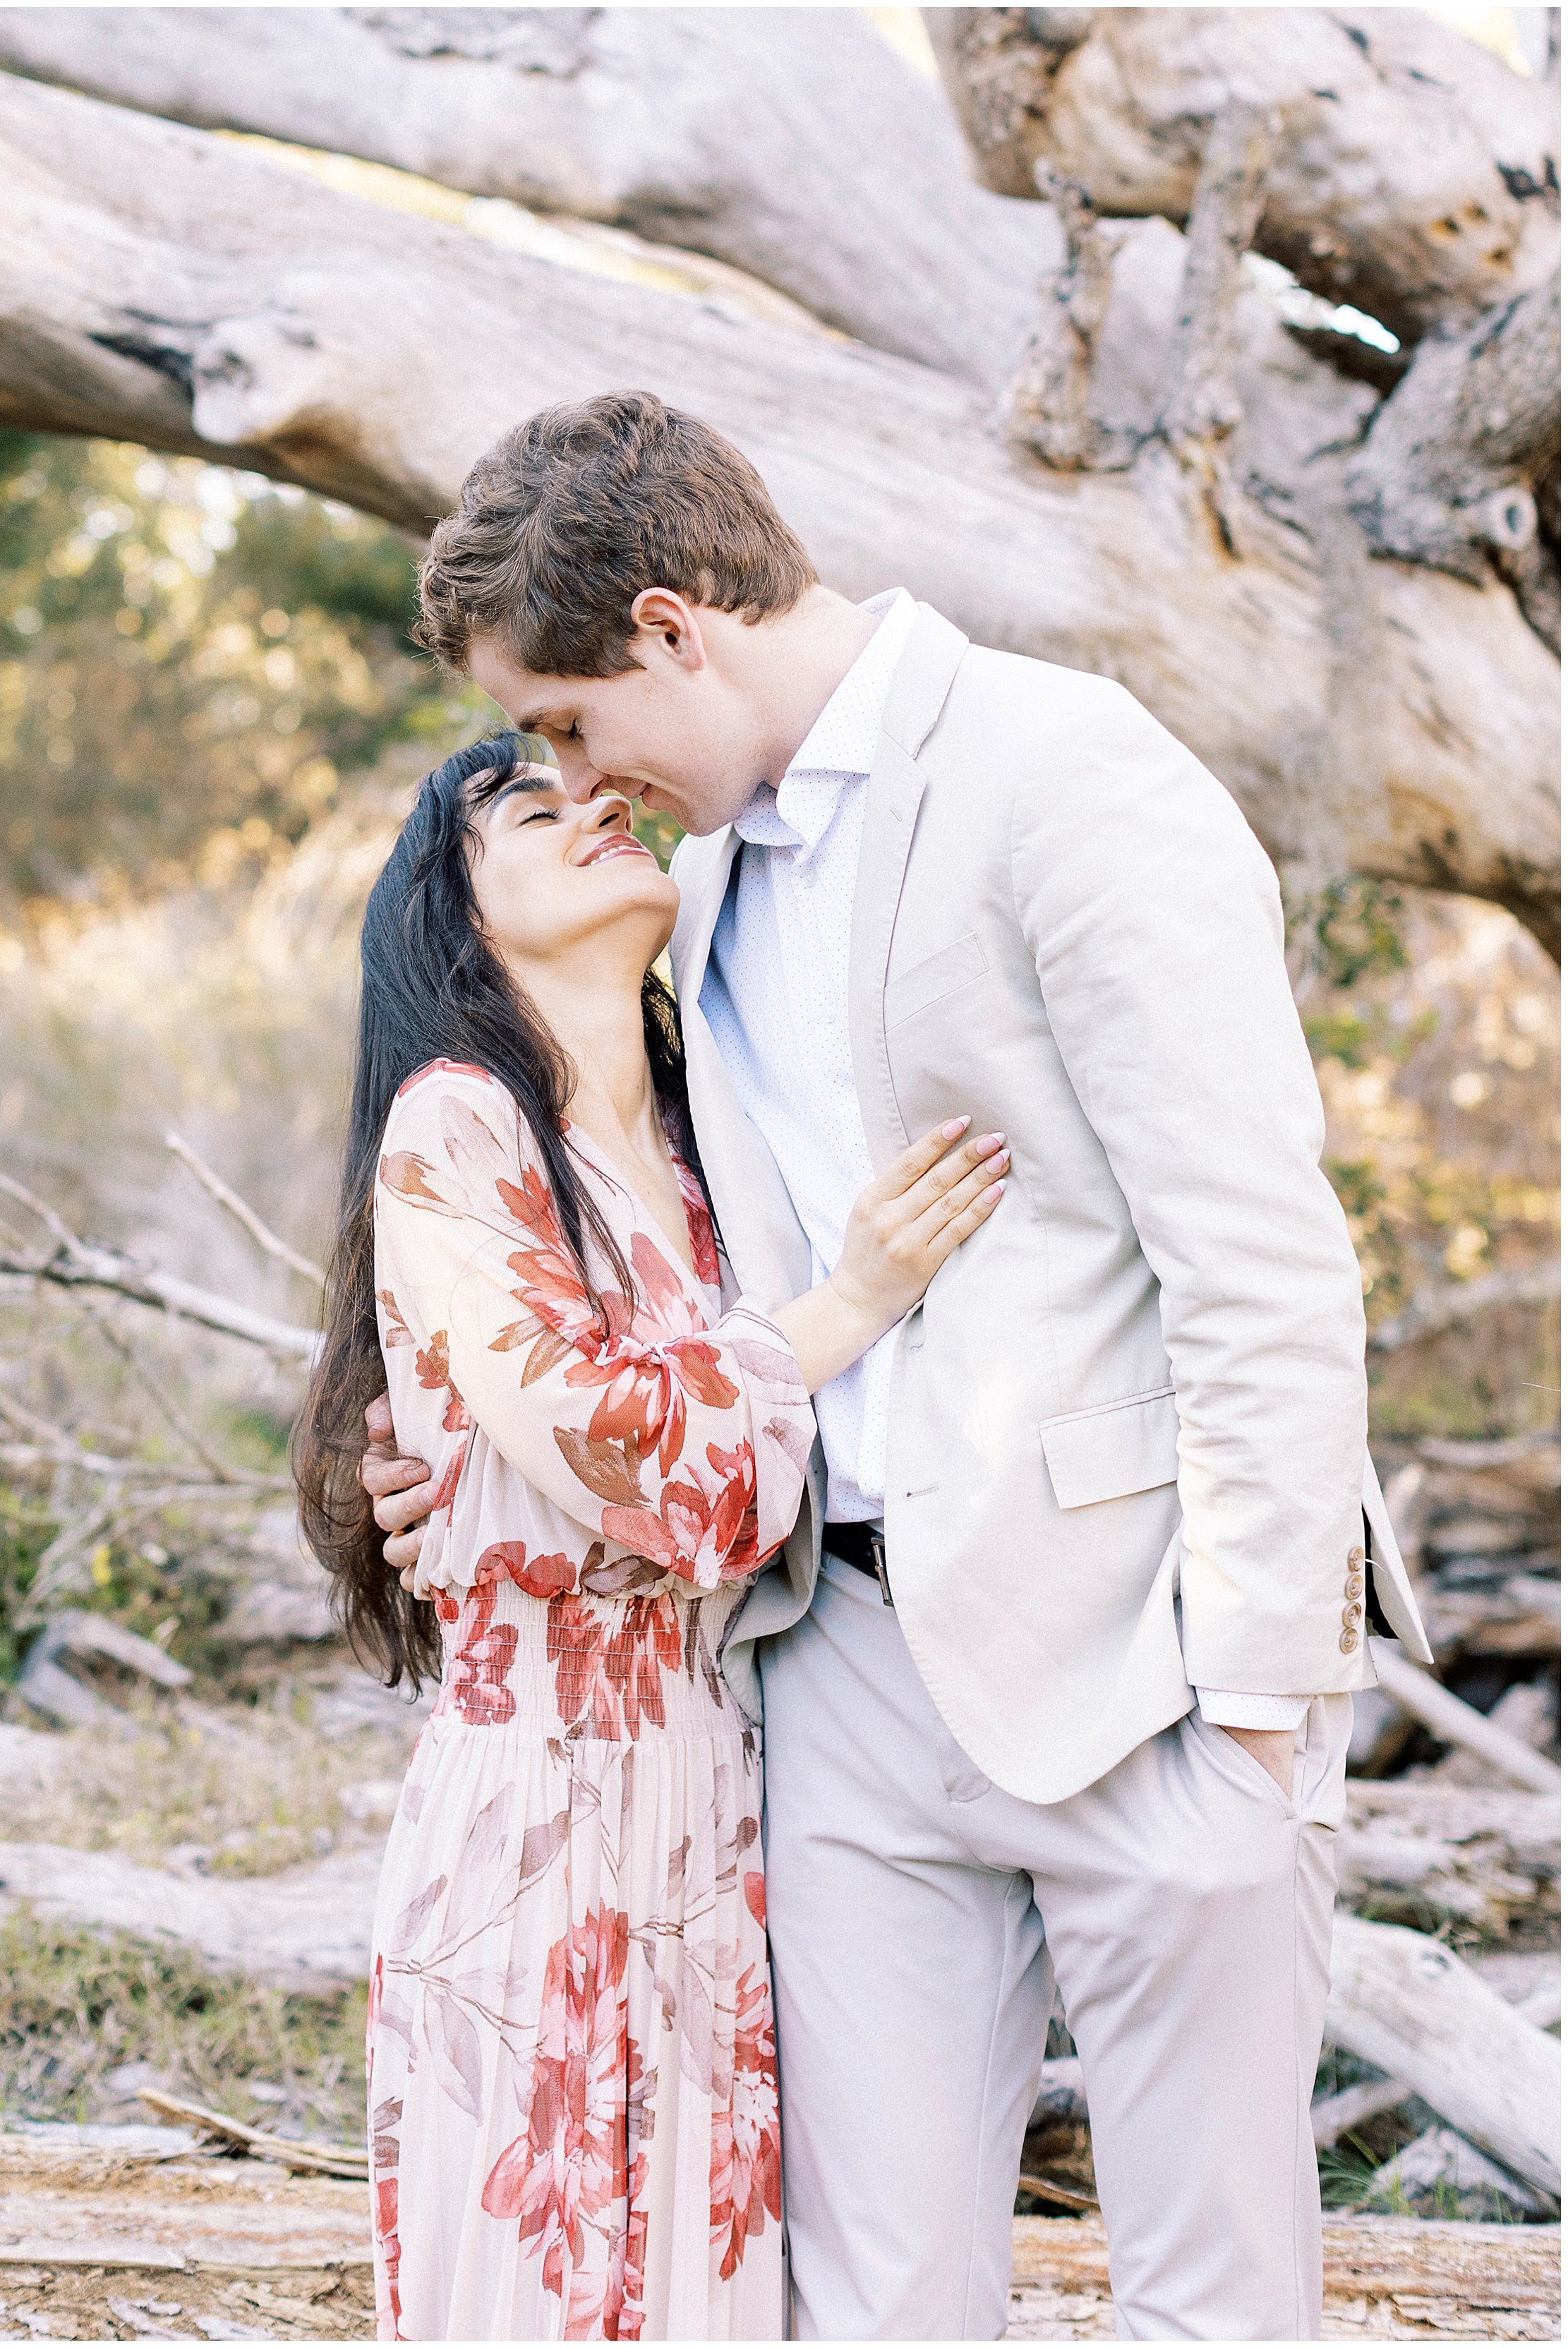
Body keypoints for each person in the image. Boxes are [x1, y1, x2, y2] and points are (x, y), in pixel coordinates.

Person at [363, 392, 1433, 2342]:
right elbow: (630, 1272)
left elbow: (1255, 1247)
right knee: (872, 2303)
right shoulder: (709, 890)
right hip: (831, 1677)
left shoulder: (1060, 768)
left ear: (677, 627)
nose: (574, 780)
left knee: (1209, 2294)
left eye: (574, 723)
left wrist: (1266, 1708)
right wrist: (456, 1442)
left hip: (1145, 1669)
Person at [296, 726, 1008, 2341]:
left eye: (599, 793)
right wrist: (845, 1306)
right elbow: (644, 1455)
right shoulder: (459, 1124)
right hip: (538, 1819)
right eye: (532, 813)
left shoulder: (707, 1148)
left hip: (722, 1811)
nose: (593, 814)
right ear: (454, 921)